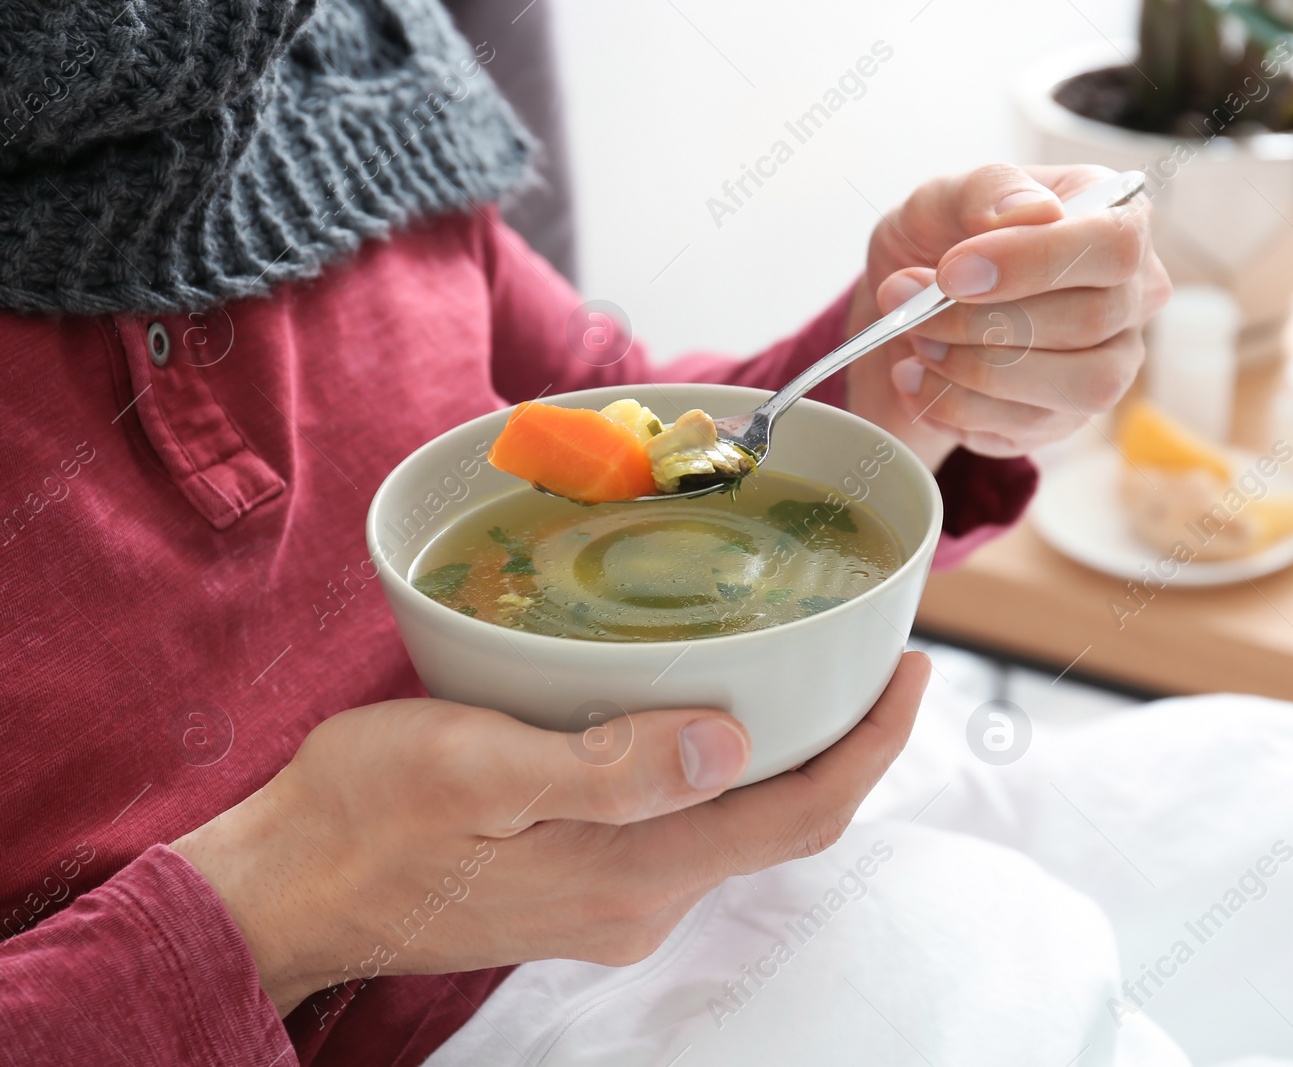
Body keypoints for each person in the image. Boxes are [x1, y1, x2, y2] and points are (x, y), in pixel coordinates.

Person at [0, 1, 1167, 1064]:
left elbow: (605, 432)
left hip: (752, 834)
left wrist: (892, 383)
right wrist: (284, 908)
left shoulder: (328, 43)